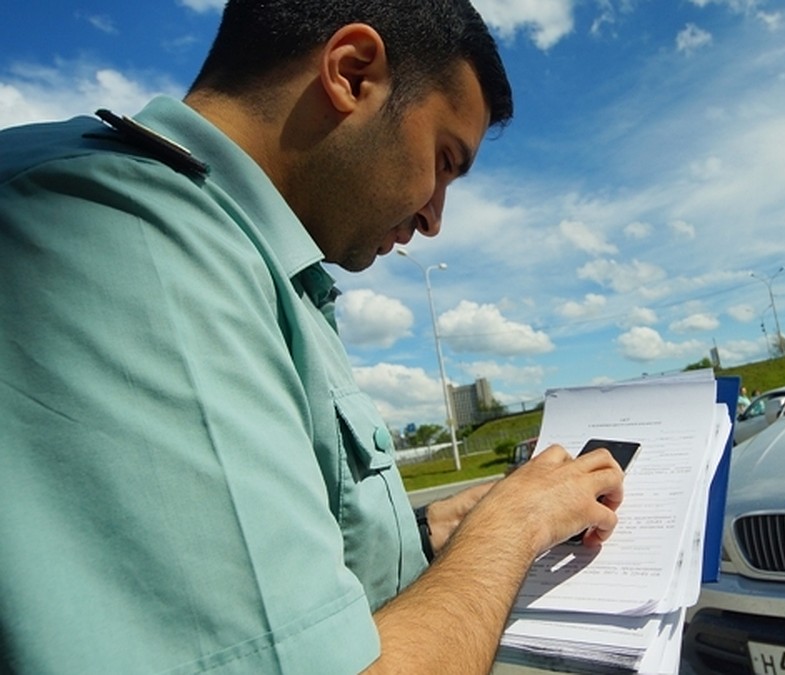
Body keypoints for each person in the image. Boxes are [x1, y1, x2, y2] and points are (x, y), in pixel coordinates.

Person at [0, 2, 626, 674]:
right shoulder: (131, 237)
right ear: (353, 74)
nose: (435, 216)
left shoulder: (253, 263)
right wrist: (515, 525)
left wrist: (435, 530)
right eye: (443, 160)